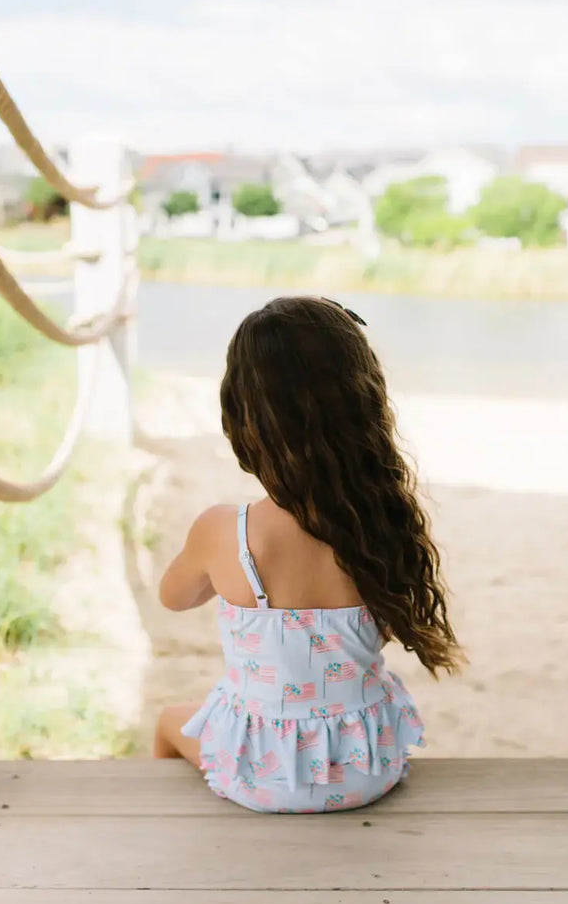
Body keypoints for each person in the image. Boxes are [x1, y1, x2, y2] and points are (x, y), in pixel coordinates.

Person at [154, 296, 461, 812]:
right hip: (367, 768)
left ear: (245, 416)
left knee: (169, 721)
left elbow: (173, 598)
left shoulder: (225, 530)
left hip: (261, 776)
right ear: (364, 405)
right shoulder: (382, 525)